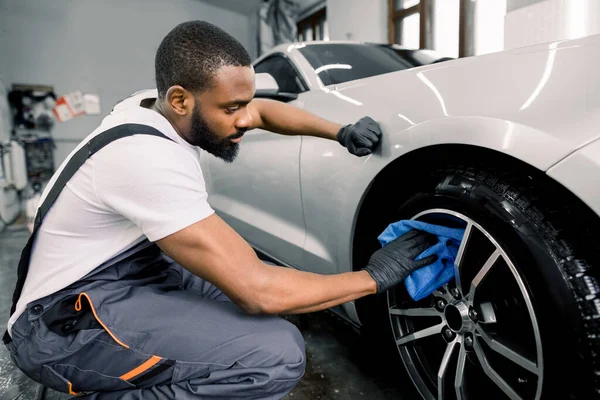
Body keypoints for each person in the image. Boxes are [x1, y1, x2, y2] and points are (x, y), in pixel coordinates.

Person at [3, 21, 438, 399]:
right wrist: (372, 278)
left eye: (242, 103)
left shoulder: (156, 106)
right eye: (231, 110)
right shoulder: (145, 159)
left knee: (267, 306)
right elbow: (259, 291)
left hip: (125, 271)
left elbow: (261, 111)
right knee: (275, 354)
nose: (244, 119)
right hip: (60, 326)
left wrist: (339, 131)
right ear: (179, 100)